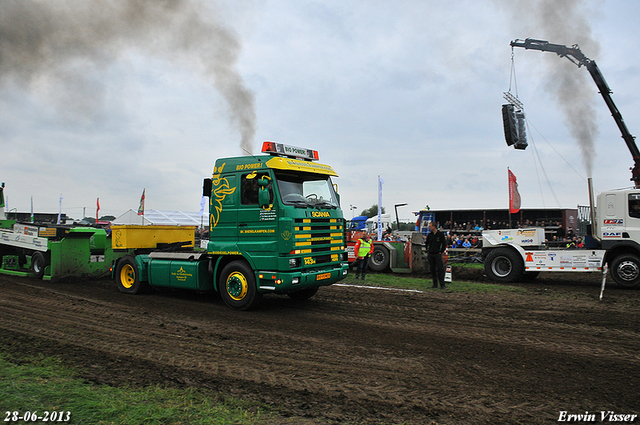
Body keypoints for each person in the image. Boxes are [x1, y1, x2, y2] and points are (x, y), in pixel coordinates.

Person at [426, 222, 447, 289]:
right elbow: (427, 243)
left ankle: (442, 284)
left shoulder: (440, 234)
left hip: (437, 254)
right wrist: (428, 250)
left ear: (434, 227)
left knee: (440, 269)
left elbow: (444, 243)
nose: (429, 228)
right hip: (431, 254)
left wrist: (441, 251)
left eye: (430, 226)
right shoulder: (430, 235)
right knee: (432, 269)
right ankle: (435, 284)